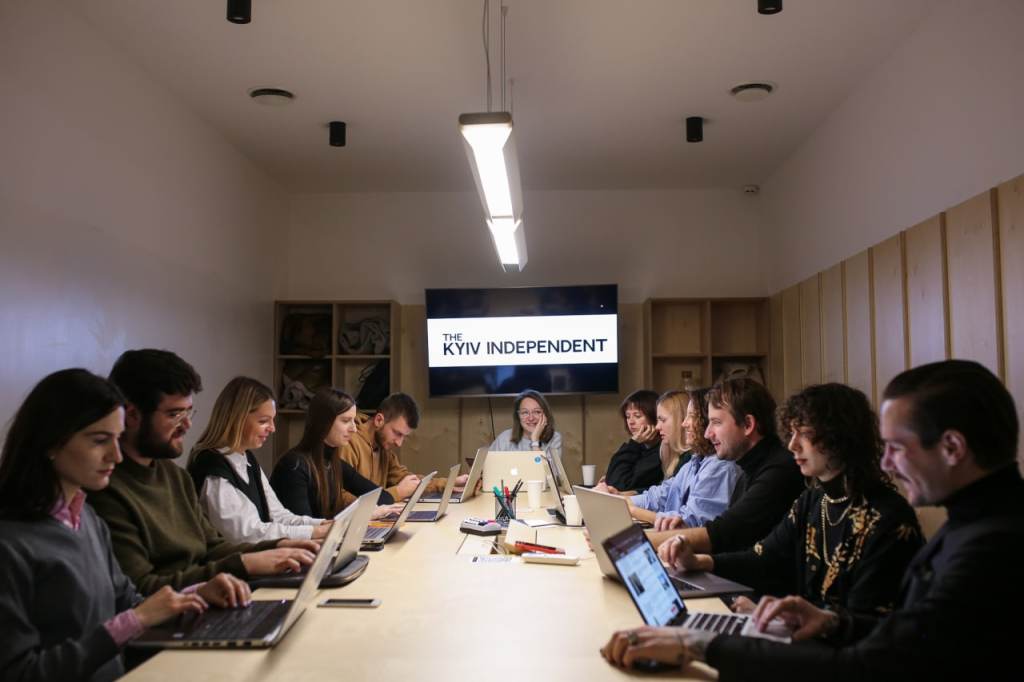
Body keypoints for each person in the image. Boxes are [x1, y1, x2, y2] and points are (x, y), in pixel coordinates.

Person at [601, 360, 1024, 681]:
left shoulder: (990, 548)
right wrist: (833, 622)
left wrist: (700, 643)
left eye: (897, 447)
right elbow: (903, 637)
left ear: (952, 448)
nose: (888, 463)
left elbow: (867, 666)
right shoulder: (976, 522)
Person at [0, 369, 250, 682]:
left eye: (117, 439)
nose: (116, 456)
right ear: (50, 442)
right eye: (100, 441)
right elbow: (20, 673)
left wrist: (197, 594)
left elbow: (132, 604)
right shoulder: (11, 543)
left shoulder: (87, 519)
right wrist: (135, 621)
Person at [661, 383, 923, 618]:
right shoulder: (815, 499)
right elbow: (764, 557)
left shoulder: (888, 517)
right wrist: (699, 562)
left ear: (839, 437)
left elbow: (867, 626)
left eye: (804, 435)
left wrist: (784, 620)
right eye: (791, 434)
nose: (792, 445)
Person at [88, 349, 318, 595]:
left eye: (188, 412)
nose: (187, 424)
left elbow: (213, 547)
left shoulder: (174, 476)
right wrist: (245, 564)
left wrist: (282, 546)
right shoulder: (106, 490)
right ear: (132, 415)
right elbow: (141, 588)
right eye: (175, 414)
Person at [648, 377, 804, 553]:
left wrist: (634, 543)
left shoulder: (778, 471)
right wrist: (687, 535)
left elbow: (726, 533)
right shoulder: (749, 467)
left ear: (748, 425)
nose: (707, 434)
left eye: (716, 422)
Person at [187, 377, 337, 543]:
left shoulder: (246, 458)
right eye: (263, 421)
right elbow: (246, 534)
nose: (272, 429)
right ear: (237, 419)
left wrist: (321, 524)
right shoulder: (212, 468)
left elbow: (278, 515)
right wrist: (313, 532)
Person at [608, 389, 740, 528]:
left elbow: (689, 523)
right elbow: (660, 496)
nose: (684, 424)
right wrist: (617, 501)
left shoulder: (719, 466)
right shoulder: (695, 461)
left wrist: (630, 509)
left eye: (691, 416)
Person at [271, 387, 401, 519]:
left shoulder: (333, 462)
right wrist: (363, 514)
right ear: (323, 422)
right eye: (346, 421)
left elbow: (384, 498)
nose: (354, 429)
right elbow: (305, 527)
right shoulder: (293, 466)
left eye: (353, 420)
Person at [341, 391, 466, 500]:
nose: (399, 443)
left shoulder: (383, 448)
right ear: (379, 420)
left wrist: (448, 483)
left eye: (404, 437)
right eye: (397, 433)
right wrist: (397, 493)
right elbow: (342, 501)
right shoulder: (348, 444)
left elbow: (407, 480)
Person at [601, 390, 664, 493]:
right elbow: (611, 481)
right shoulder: (637, 446)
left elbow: (620, 486)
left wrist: (633, 444)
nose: (631, 422)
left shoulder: (661, 451)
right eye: (628, 416)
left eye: (637, 416)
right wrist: (633, 444)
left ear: (655, 418)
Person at [489, 389, 563, 455]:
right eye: (525, 412)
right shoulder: (505, 437)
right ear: (518, 416)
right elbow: (488, 464)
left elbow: (545, 467)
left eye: (537, 412)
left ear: (545, 414)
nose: (531, 418)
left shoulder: (554, 438)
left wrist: (535, 441)